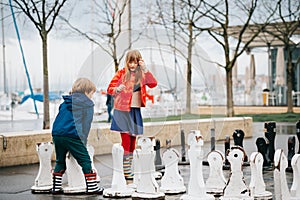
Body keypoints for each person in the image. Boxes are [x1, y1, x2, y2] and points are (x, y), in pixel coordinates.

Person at [107, 49, 158, 180]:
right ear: (127, 62)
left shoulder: (142, 74)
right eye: (130, 62)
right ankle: (126, 170)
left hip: (135, 110)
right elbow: (110, 88)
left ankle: (127, 168)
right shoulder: (122, 73)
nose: (132, 65)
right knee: (126, 141)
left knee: (133, 141)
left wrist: (145, 69)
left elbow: (153, 84)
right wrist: (117, 89)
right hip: (122, 110)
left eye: (135, 62)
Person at [51, 77, 103, 195]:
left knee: (60, 160)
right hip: (73, 134)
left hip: (57, 133)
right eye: (91, 94)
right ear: (86, 92)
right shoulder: (87, 104)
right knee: (85, 160)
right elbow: (86, 125)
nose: (92, 97)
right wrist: (83, 141)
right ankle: (92, 187)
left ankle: (56, 187)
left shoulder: (65, 103)